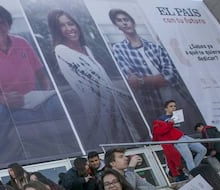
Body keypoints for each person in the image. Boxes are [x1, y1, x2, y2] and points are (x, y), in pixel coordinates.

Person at [0, 4, 68, 163]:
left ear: (9, 25)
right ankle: (0, 161)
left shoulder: (21, 42)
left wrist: (46, 92)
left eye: (2, 22)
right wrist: (3, 99)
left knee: (60, 103)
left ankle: (58, 152)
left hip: (28, 99)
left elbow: (42, 75)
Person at [47, 9, 146, 149]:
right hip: (99, 110)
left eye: (71, 23)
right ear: (57, 31)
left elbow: (105, 80)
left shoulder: (86, 49)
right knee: (116, 148)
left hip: (115, 108)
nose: (69, 28)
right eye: (62, 26)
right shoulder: (61, 51)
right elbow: (95, 84)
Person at [108, 9, 204, 129]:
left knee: (184, 127)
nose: (124, 23)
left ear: (133, 22)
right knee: (169, 132)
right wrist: (157, 79)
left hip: (173, 96)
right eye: (119, 21)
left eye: (126, 19)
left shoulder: (155, 47)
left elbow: (171, 75)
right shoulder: (118, 49)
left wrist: (143, 80)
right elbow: (132, 81)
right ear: (117, 26)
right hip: (152, 102)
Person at [153, 100, 207, 172]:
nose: (174, 108)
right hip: (176, 139)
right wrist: (169, 124)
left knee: (202, 149)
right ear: (166, 109)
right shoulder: (161, 119)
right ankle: (194, 173)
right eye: (171, 106)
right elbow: (159, 131)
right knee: (189, 158)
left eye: (174, 106)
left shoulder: (176, 115)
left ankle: (192, 171)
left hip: (183, 136)